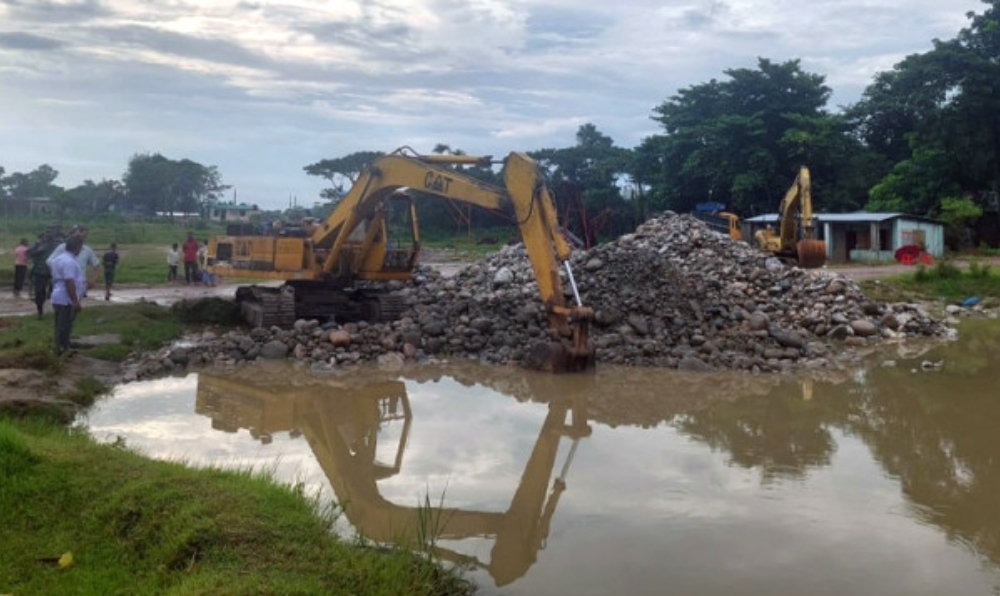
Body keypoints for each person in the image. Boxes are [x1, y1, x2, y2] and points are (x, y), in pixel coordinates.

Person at [50, 235, 84, 356]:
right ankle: (62, 349)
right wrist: (75, 301)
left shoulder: (58, 259)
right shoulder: (69, 262)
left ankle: (62, 346)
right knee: (64, 325)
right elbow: (69, 282)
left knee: (60, 323)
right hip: (65, 298)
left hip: (58, 295)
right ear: (77, 247)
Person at [47, 226, 99, 297]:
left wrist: (93, 279)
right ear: (71, 235)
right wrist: (60, 271)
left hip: (79, 283)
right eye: (77, 236)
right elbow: (50, 261)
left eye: (83, 237)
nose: (80, 238)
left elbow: (96, 264)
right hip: (64, 283)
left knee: (75, 303)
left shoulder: (87, 250)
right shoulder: (62, 247)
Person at [28, 232, 57, 319]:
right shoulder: (40, 245)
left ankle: (42, 311)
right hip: (42, 272)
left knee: (49, 292)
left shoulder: (56, 246)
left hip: (50, 272)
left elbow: (30, 253)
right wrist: (38, 250)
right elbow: (30, 253)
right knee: (40, 293)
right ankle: (40, 312)